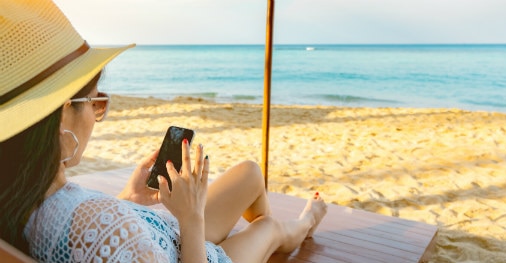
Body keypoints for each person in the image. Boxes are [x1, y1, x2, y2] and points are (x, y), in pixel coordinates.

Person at [0, 0, 327, 262]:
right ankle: (306, 222)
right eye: (96, 102)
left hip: (161, 233)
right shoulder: (101, 224)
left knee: (250, 174)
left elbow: (97, 238)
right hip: (195, 250)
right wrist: (192, 217)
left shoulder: (22, 198)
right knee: (268, 227)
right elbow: (105, 236)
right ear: (61, 115)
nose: (98, 112)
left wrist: (130, 199)